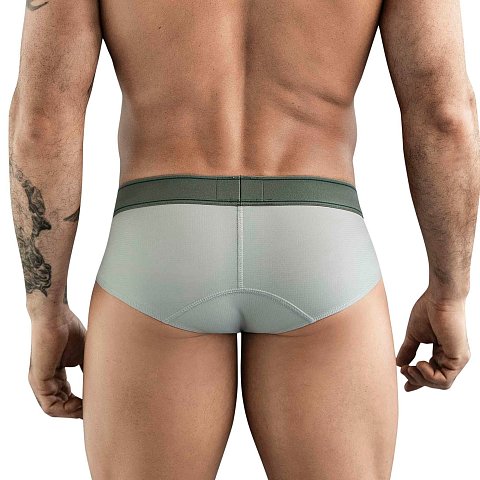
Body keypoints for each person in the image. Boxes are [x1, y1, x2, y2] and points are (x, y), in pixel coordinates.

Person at [8, 0, 479, 478]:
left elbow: (41, 123)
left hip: (158, 244)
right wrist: (449, 294)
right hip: (318, 244)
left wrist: (47, 310)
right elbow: (444, 116)